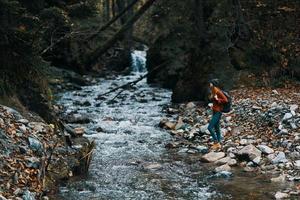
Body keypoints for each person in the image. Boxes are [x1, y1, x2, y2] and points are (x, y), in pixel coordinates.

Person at [208, 79, 228, 150]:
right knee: (216, 128)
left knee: (209, 127)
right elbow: (211, 99)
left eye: (210, 83)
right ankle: (218, 143)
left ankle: (216, 142)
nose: (209, 84)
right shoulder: (213, 90)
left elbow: (226, 100)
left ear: (213, 84)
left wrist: (217, 100)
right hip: (215, 111)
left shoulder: (218, 91)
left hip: (218, 112)